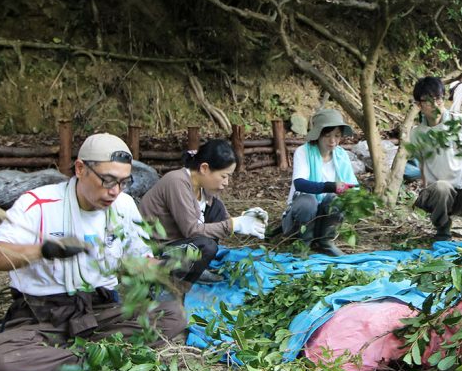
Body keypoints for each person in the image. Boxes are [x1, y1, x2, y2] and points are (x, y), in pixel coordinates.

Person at [0, 133, 186, 371]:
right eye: (107, 180)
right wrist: (43, 251)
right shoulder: (40, 203)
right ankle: (100, 362)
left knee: (173, 315)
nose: (114, 191)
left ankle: (72, 364)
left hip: (99, 310)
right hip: (43, 315)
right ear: (80, 168)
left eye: (123, 182)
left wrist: (161, 267)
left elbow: (139, 260)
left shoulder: (125, 206)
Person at [139, 139, 269, 283]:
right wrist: (234, 224)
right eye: (224, 176)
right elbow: (192, 230)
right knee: (206, 247)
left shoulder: (204, 188)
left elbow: (223, 220)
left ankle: (196, 268)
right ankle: (176, 285)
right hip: (159, 249)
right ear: (204, 168)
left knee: (217, 209)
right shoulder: (177, 182)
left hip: (180, 241)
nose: (226, 183)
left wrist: (246, 218)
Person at [410, 76, 462, 242]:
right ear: (419, 105)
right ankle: (442, 230)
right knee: (442, 187)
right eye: (428, 102)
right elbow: (419, 166)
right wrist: (425, 190)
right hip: (438, 195)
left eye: (439, 99)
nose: (435, 106)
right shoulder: (417, 134)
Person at [282, 109, 359, 257]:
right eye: (327, 135)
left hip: (323, 221)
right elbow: (300, 184)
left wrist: (355, 194)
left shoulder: (341, 155)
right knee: (308, 201)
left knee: (338, 200)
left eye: (337, 136)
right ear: (318, 134)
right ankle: (303, 244)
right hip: (300, 220)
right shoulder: (303, 152)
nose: (332, 141)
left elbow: (351, 185)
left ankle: (325, 242)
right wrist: (331, 186)